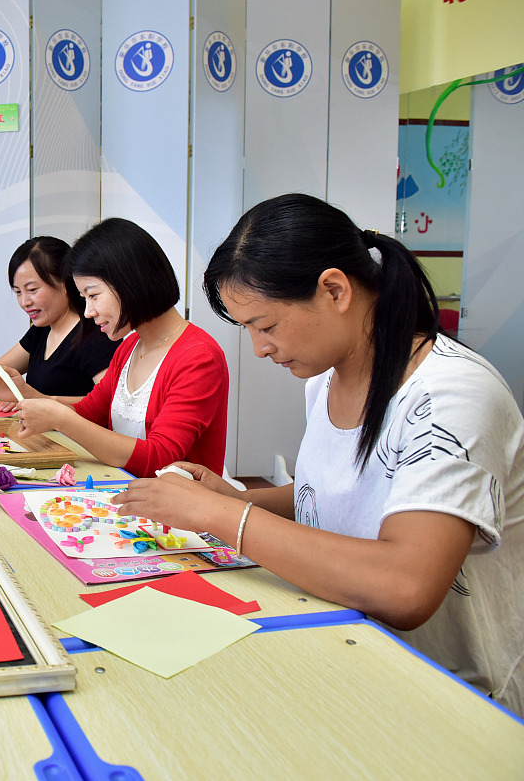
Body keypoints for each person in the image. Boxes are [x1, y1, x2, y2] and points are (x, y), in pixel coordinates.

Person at [114, 193, 523, 715]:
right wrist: (239, 498)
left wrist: (221, 513)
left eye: (266, 326)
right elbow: (337, 494)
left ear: (334, 290)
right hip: (348, 642)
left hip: (455, 688)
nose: (260, 349)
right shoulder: (326, 376)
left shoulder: (451, 396)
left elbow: (406, 585)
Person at [0, 218, 228, 478]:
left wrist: (60, 418)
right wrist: (26, 395)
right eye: (84, 298)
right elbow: (89, 411)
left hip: (177, 510)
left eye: (93, 295)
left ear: (130, 282)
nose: (88, 312)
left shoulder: (199, 356)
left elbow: (159, 457)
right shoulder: (130, 346)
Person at [0, 236, 117, 407]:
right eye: (18, 292)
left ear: (65, 284)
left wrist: (33, 399)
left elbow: (107, 405)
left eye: (32, 290)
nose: (24, 302)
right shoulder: (42, 330)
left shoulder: (94, 336)